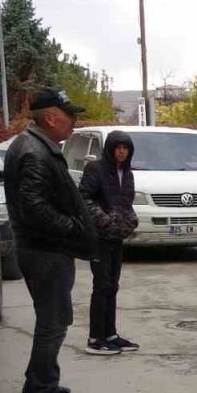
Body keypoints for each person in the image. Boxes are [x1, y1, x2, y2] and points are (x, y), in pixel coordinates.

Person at [3, 89, 97, 393]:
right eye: (69, 115)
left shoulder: (36, 146)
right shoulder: (34, 151)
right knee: (54, 321)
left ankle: (35, 382)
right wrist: (74, 229)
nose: (74, 121)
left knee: (51, 318)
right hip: (45, 251)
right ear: (51, 117)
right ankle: (46, 390)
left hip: (44, 249)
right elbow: (34, 208)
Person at [79, 131, 140, 355]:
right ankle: (95, 338)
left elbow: (126, 202)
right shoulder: (96, 169)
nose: (122, 151)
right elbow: (84, 198)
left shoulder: (127, 172)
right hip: (99, 237)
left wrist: (130, 220)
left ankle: (111, 334)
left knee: (113, 285)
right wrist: (104, 220)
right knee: (101, 285)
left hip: (116, 237)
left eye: (126, 148)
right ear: (110, 148)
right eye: (118, 147)